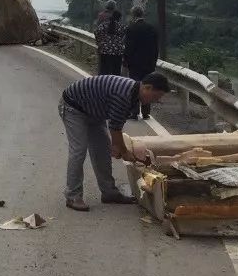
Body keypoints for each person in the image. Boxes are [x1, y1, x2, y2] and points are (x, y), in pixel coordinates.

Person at [59, 72, 171, 211]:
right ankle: (73, 196)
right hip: (73, 108)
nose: (154, 101)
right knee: (79, 151)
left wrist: (116, 146)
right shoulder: (124, 95)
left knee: (103, 150)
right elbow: (115, 127)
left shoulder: (134, 96)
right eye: (155, 97)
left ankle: (109, 193)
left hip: (94, 112)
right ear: (147, 88)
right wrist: (124, 151)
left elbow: (117, 124)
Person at [124, 5, 161, 119]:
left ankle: (134, 112)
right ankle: (146, 112)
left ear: (133, 15)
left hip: (135, 63)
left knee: (135, 86)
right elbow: (156, 48)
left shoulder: (131, 28)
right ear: (142, 14)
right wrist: (154, 61)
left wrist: (126, 61)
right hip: (149, 63)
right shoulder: (151, 28)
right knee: (148, 86)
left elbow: (129, 47)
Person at [94, 0, 126, 76]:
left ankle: (102, 84)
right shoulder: (121, 26)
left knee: (103, 70)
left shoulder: (103, 19)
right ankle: (115, 85)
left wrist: (100, 42)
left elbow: (97, 31)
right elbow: (125, 36)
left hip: (105, 49)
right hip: (117, 51)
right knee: (116, 71)